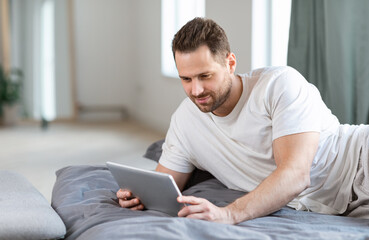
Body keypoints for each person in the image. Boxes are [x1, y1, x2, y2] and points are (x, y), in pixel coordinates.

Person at [117, 17, 369, 224]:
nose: (196, 90)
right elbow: (165, 184)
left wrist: (229, 213)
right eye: (186, 79)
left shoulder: (278, 85)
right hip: (339, 206)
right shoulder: (185, 120)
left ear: (230, 63)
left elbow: (295, 174)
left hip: (360, 164)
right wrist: (139, 195)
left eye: (205, 76)